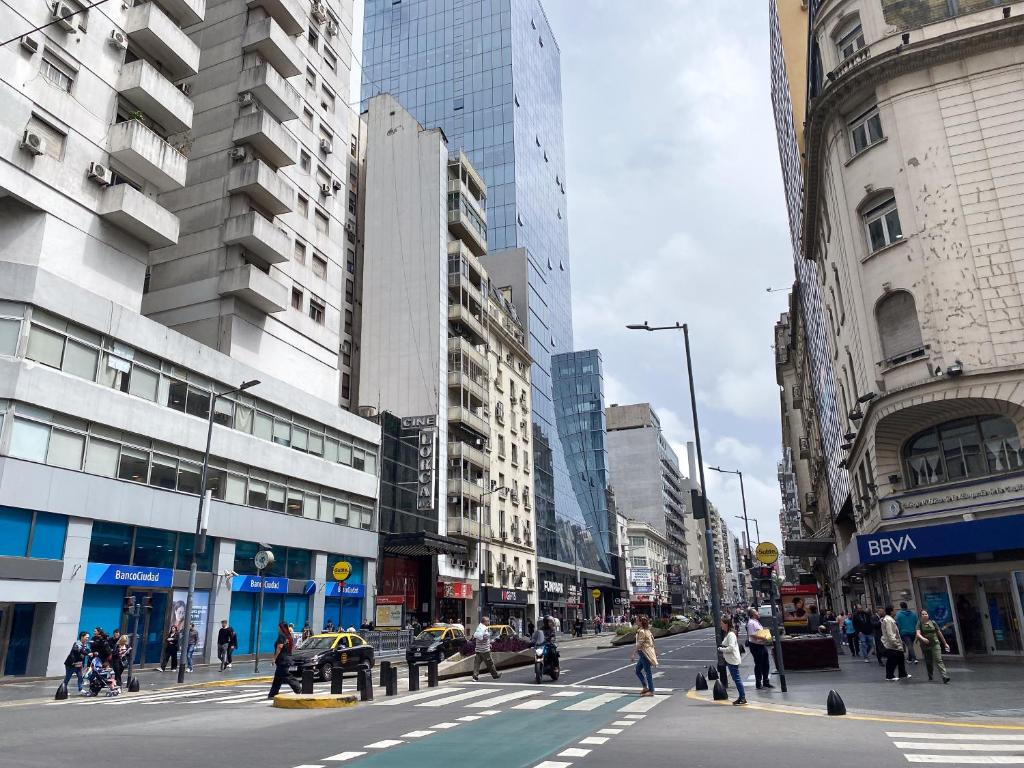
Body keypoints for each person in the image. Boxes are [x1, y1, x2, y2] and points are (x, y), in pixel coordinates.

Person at [916, 609, 951, 683]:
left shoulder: (933, 622)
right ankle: (930, 675)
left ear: (928, 615)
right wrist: (923, 638)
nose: (924, 615)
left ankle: (944, 676)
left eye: (926, 614)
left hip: (935, 643)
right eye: (923, 614)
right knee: (929, 661)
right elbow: (918, 634)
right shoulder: (919, 623)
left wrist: (945, 643)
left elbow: (939, 633)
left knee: (938, 659)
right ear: (920, 616)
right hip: (925, 645)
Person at [268, 621, 301, 698]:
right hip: (287, 658)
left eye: (279, 627)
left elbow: (279, 647)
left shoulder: (282, 636)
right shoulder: (289, 636)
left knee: (286, 675)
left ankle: (298, 688)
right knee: (278, 678)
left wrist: (274, 659)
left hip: (282, 659)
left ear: (282, 628)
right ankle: (273, 694)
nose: (278, 628)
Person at [718, 614, 746, 706]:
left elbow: (731, 648)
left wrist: (721, 649)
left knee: (737, 679)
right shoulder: (729, 634)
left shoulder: (730, 634)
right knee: (736, 679)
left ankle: (742, 698)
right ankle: (741, 697)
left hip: (733, 660)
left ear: (726, 624)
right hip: (731, 659)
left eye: (722, 623)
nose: (721, 625)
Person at [881, 605, 910, 681]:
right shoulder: (888, 620)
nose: (895, 612)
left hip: (895, 643)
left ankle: (902, 674)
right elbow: (890, 633)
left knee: (900, 658)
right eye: (894, 610)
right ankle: (889, 676)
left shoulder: (890, 619)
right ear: (891, 611)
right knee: (892, 660)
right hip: (892, 644)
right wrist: (895, 643)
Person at [746, 607, 772, 690]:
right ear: (753, 614)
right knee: (759, 664)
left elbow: (759, 632)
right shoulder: (751, 623)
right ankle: (758, 683)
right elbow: (752, 634)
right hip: (755, 646)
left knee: (766, 663)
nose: (758, 613)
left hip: (761, 645)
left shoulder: (756, 622)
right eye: (756, 612)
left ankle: (766, 681)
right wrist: (763, 637)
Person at [632, 616, 658, 698]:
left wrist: (633, 654)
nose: (636, 622)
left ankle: (651, 690)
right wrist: (654, 651)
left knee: (648, 672)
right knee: (637, 670)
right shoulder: (647, 630)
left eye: (637, 620)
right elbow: (653, 641)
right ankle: (645, 687)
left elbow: (639, 644)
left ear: (641, 622)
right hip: (643, 653)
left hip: (644, 653)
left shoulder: (642, 631)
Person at [471, 617, 501, 682]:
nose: (489, 622)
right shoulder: (484, 629)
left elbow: (478, 638)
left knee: (477, 663)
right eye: (488, 621)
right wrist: (489, 636)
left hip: (478, 650)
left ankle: (475, 676)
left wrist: (488, 643)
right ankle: (495, 675)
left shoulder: (478, 628)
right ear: (484, 622)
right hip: (485, 650)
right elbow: (484, 637)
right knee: (490, 663)